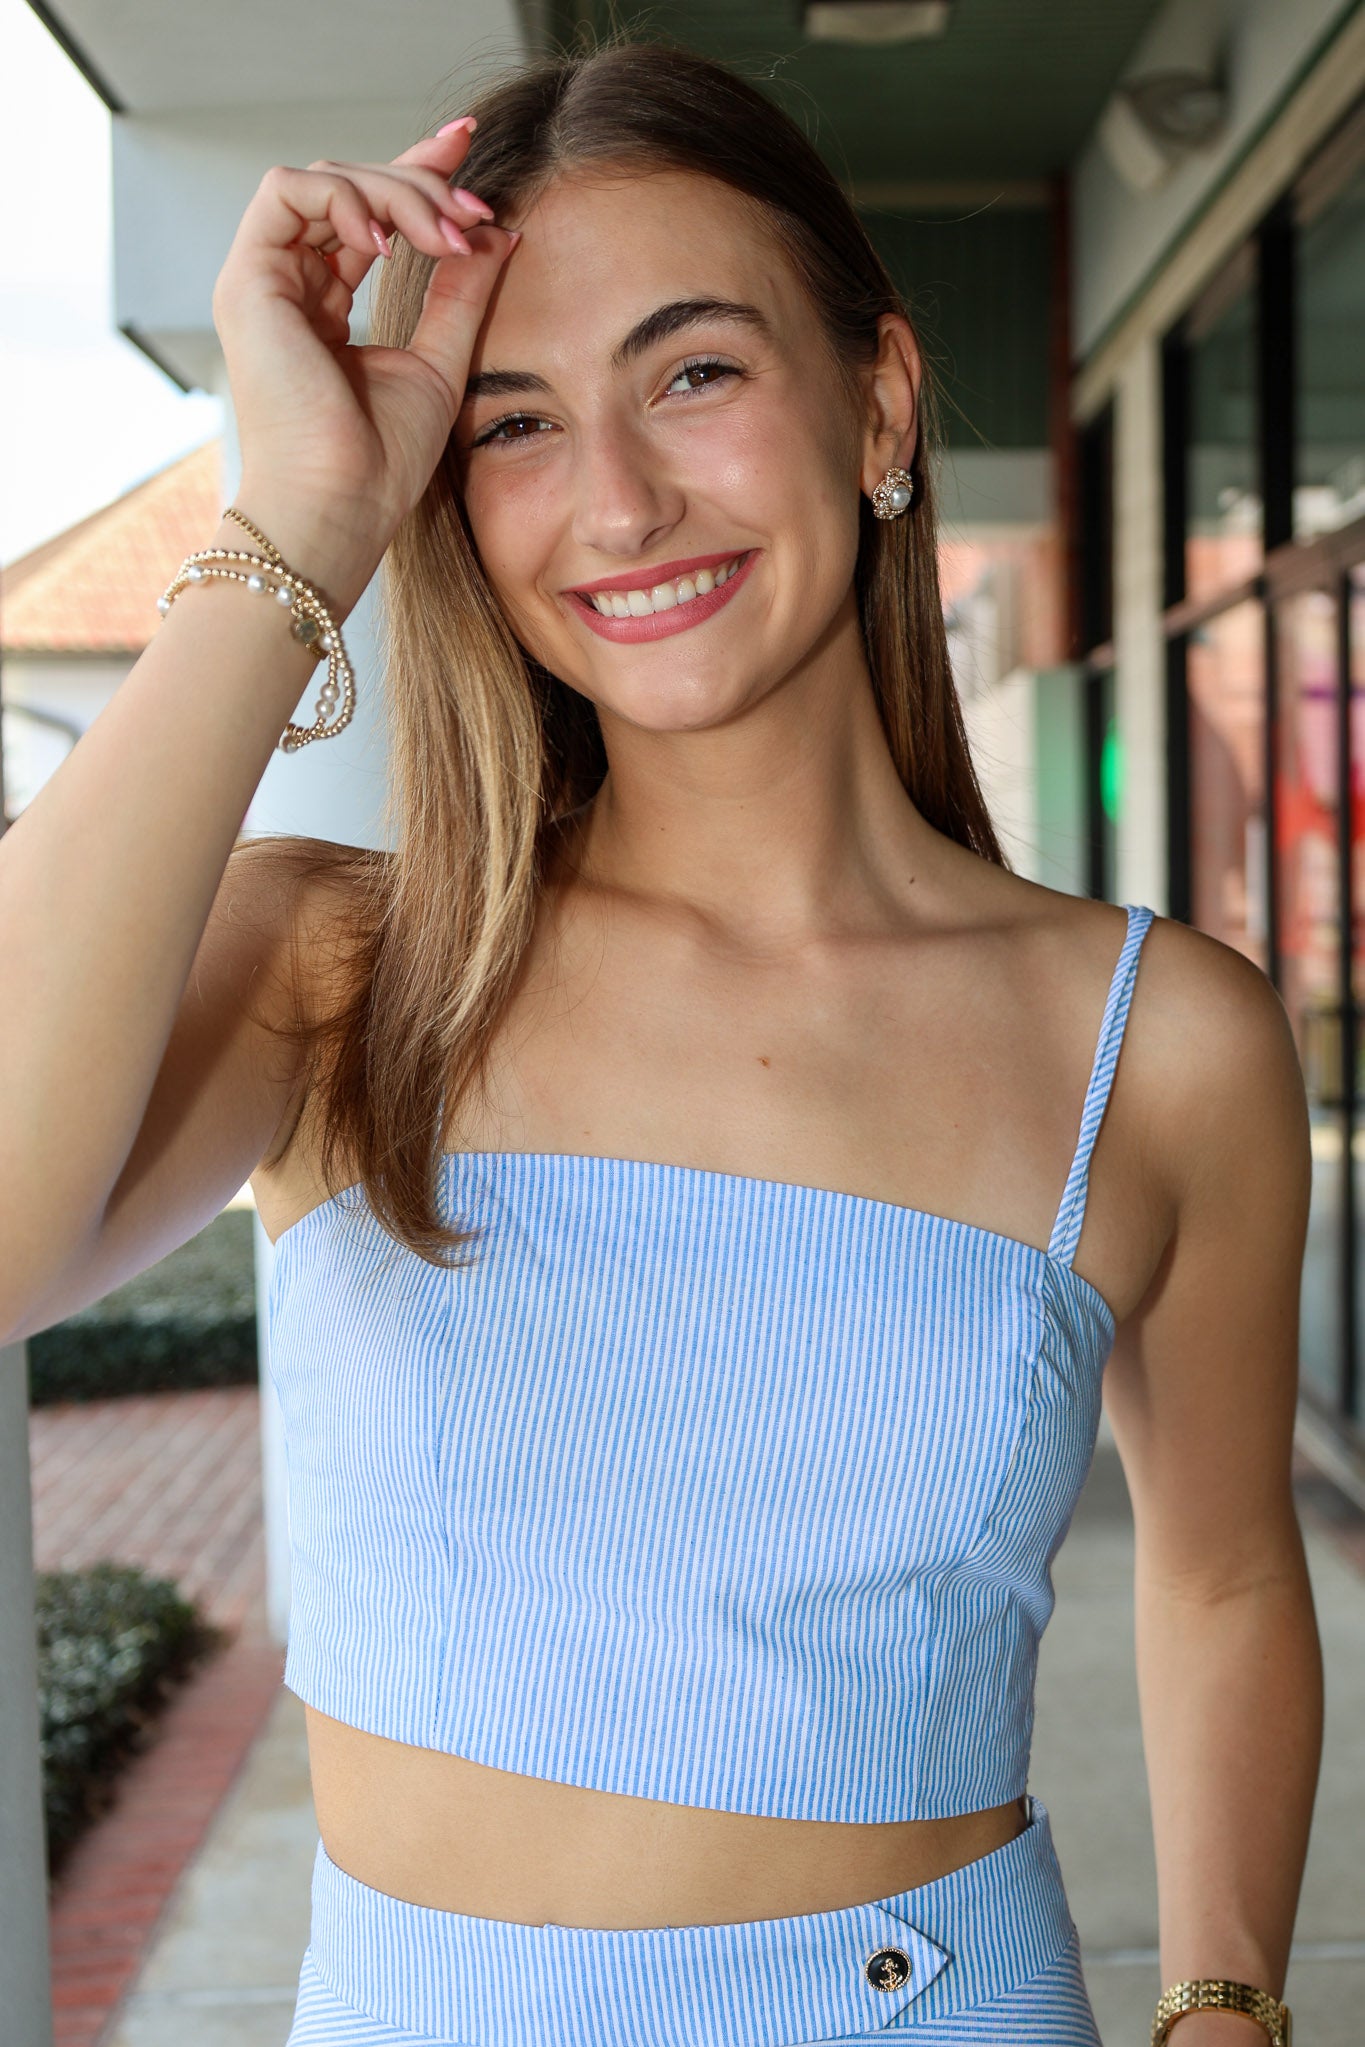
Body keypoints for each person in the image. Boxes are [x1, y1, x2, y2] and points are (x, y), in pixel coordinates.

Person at [0, 31, 1321, 2047]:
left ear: (876, 405)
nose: (615, 503)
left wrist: (1223, 2005)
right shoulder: (342, 970)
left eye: (692, 373)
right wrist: (305, 514)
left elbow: (1220, 1572)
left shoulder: (1156, 1045)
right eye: (515, 424)